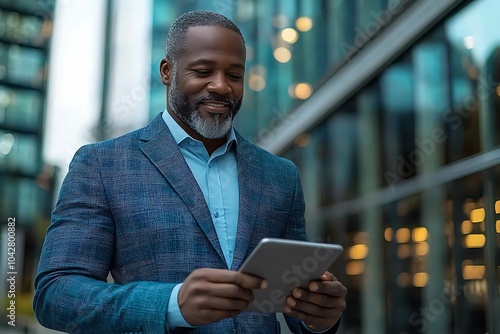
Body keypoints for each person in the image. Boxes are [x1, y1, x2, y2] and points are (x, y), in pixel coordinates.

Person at [33, 10, 347, 334]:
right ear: (168, 72)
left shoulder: (281, 176)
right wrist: (172, 304)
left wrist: (318, 318)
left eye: (235, 76)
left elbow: (294, 302)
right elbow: (55, 294)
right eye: (203, 71)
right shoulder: (102, 165)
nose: (221, 86)